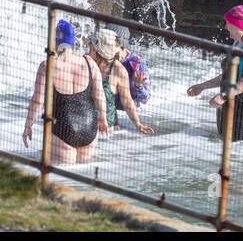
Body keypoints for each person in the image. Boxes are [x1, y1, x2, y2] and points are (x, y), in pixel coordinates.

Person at [23, 20, 108, 163]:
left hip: (62, 127)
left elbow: (38, 100)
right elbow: (100, 96)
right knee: (81, 176)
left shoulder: (48, 65)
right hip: (89, 128)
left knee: (60, 175)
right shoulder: (89, 63)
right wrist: (103, 119)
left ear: (55, 41)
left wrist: (28, 125)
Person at [186, 5, 243, 141]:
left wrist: (223, 96)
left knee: (239, 151)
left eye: (228, 22)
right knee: (220, 143)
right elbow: (227, 75)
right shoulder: (237, 43)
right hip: (228, 102)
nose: (226, 26)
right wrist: (202, 86)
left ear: (237, 24)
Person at [90, 28, 156, 135]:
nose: (89, 46)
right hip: (85, 125)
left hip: (107, 131)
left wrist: (138, 124)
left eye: (92, 45)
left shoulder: (122, 68)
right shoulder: (86, 62)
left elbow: (128, 100)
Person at [112, 25, 152, 110]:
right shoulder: (104, 56)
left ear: (123, 47)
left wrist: (138, 86)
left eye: (112, 47)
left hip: (129, 113)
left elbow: (146, 99)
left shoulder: (137, 63)